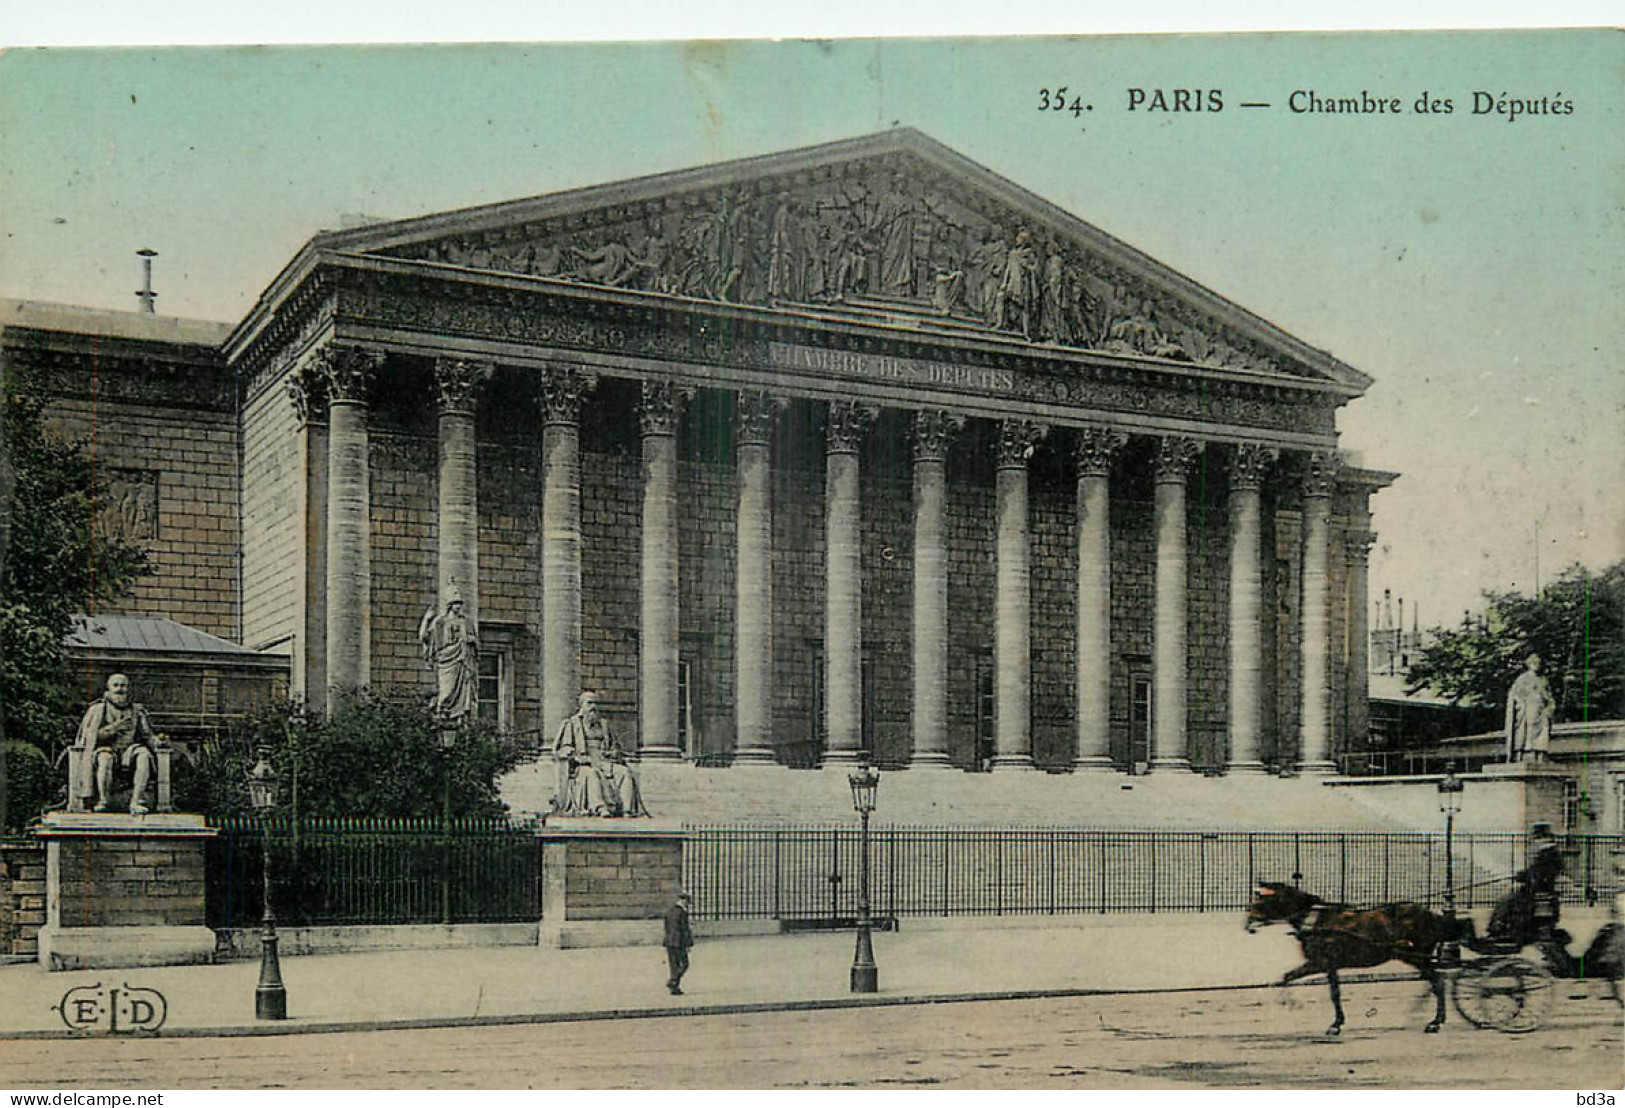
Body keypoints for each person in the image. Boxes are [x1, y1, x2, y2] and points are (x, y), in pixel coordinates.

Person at [72, 673, 158, 815]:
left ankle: (136, 801)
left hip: (128, 751)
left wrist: (158, 742)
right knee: (105, 758)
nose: (120, 689)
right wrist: (114, 728)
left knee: (144, 755)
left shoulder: (137, 711)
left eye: (123, 686)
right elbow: (92, 736)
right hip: (104, 750)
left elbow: (147, 735)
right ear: (109, 689)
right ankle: (103, 800)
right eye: (116, 685)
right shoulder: (98, 709)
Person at [551, 691, 647, 817]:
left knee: (623, 772)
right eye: (589, 703)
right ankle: (600, 808)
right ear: (582, 706)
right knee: (592, 773)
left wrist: (613, 753)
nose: (593, 707)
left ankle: (627, 810)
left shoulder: (603, 724)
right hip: (584, 763)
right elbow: (565, 748)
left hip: (604, 761)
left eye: (596, 703)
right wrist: (577, 757)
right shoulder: (572, 724)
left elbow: (615, 746)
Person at [417, 587, 479, 722]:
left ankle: (460, 720)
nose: (458, 606)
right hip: (446, 662)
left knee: (463, 693)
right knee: (446, 692)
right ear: (450, 605)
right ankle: (443, 715)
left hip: (463, 661)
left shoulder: (466, 622)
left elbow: (475, 642)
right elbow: (425, 637)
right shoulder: (440, 622)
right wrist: (426, 620)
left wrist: (471, 641)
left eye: (459, 603)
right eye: (455, 603)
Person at [1505, 653, 1556, 763]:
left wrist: (1549, 708)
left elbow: (1549, 696)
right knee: (1529, 730)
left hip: (1542, 710)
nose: (1536, 665)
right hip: (1528, 709)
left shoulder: (1543, 680)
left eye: (1538, 663)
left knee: (1544, 730)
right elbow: (1515, 694)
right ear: (1529, 664)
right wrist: (1521, 705)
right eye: (1533, 663)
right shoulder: (1523, 678)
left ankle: (1541, 754)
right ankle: (1526, 753)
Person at [663, 891, 694, 995]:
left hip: (669, 941)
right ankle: (673, 982)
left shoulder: (670, 911)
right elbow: (684, 929)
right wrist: (688, 944)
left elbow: (667, 926)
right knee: (684, 964)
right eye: (687, 902)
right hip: (679, 942)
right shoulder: (682, 913)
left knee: (674, 965)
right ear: (683, 901)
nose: (687, 905)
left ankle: (675, 988)